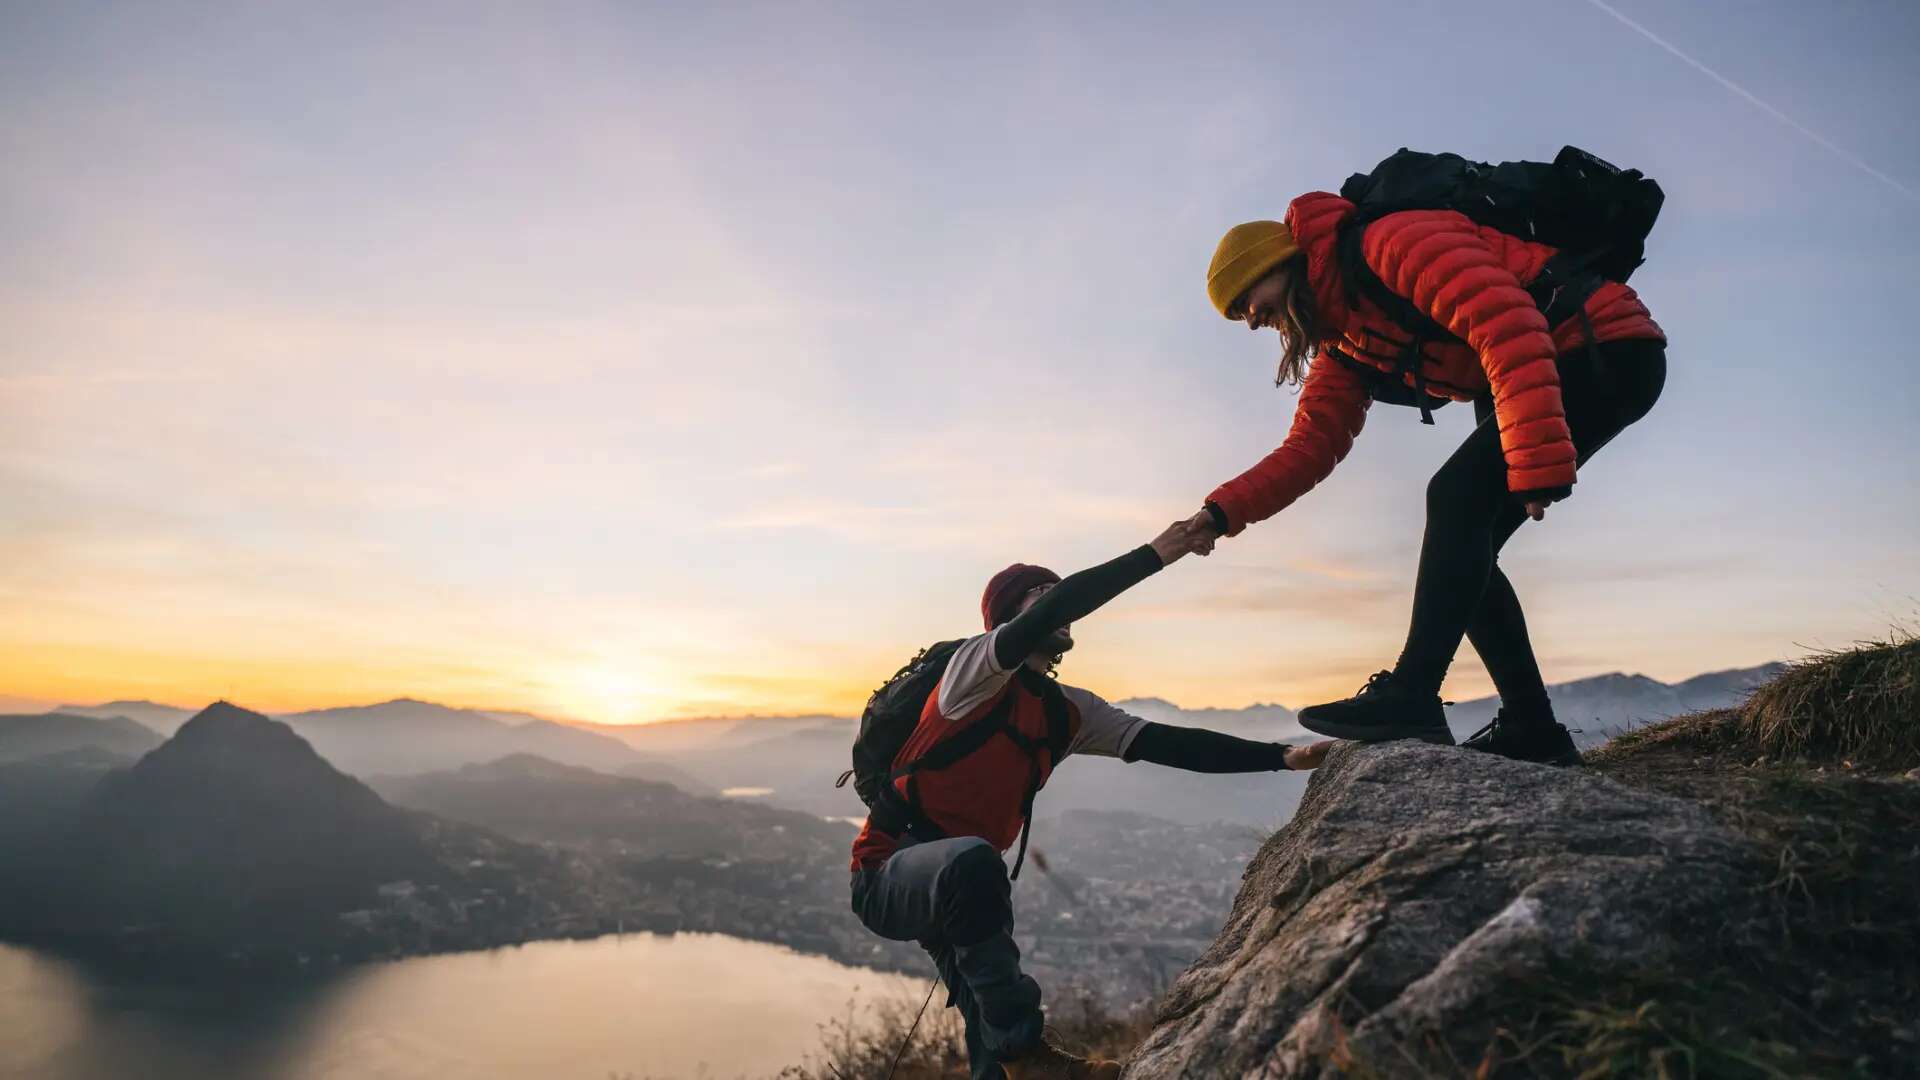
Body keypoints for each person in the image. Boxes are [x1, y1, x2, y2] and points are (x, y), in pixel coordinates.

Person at [1190, 190, 1666, 764]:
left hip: (1601, 344)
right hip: (1540, 368)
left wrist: (1535, 459)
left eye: (1245, 300)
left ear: (1277, 264)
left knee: (1454, 499)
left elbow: (1506, 322)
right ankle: (1532, 728)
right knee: (1467, 550)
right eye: (1237, 314)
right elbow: (1310, 447)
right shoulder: (1344, 341)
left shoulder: (1391, 242)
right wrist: (1219, 513)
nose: (1249, 321)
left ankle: (1413, 693)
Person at [848, 520, 1334, 1080]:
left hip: (956, 881)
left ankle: (1012, 1061)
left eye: (1058, 591)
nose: (1058, 602)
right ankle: (1029, 1056)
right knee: (977, 879)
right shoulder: (971, 673)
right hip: (887, 873)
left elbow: (1167, 742)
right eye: (1041, 593)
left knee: (987, 1028)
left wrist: (1282, 756)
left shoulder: (1067, 712)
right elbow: (1062, 602)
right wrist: (1162, 551)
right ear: (1012, 615)